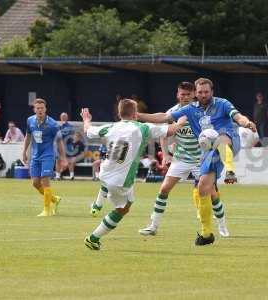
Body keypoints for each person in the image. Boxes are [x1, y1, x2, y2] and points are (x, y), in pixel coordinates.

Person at [137, 77, 256, 246]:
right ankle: (204, 233)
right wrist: (138, 115)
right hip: (193, 155)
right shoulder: (188, 110)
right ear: (193, 94)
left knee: (219, 138)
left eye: (205, 92)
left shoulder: (222, 103)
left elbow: (237, 116)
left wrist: (246, 122)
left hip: (225, 143)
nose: (203, 95)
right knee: (201, 189)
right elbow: (164, 120)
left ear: (211, 92)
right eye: (200, 92)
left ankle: (229, 173)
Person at [81, 99, 186, 250]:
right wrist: (183, 120)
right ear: (135, 113)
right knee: (123, 208)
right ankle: (93, 238)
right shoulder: (142, 128)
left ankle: (97, 205)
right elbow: (170, 130)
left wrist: (86, 119)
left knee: (127, 201)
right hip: (120, 180)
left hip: (105, 172)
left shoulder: (110, 127)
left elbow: (88, 130)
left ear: (119, 113)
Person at [22, 98, 67, 216]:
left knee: (45, 180)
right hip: (35, 156)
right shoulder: (30, 121)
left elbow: (59, 141)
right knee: (35, 183)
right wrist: (24, 152)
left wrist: (63, 158)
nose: (40, 110)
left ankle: (47, 210)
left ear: (45, 109)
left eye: (42, 108)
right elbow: (28, 136)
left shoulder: (52, 124)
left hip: (48, 155)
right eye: (38, 108)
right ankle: (55, 199)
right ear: (34, 109)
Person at [55, 112, 74, 180]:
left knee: (70, 161)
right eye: (62, 117)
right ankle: (57, 176)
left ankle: (71, 176)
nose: (63, 118)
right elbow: (56, 136)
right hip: (59, 146)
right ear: (60, 118)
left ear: (67, 117)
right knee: (58, 160)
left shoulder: (70, 126)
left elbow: (68, 135)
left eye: (65, 116)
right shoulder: (57, 126)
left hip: (68, 146)